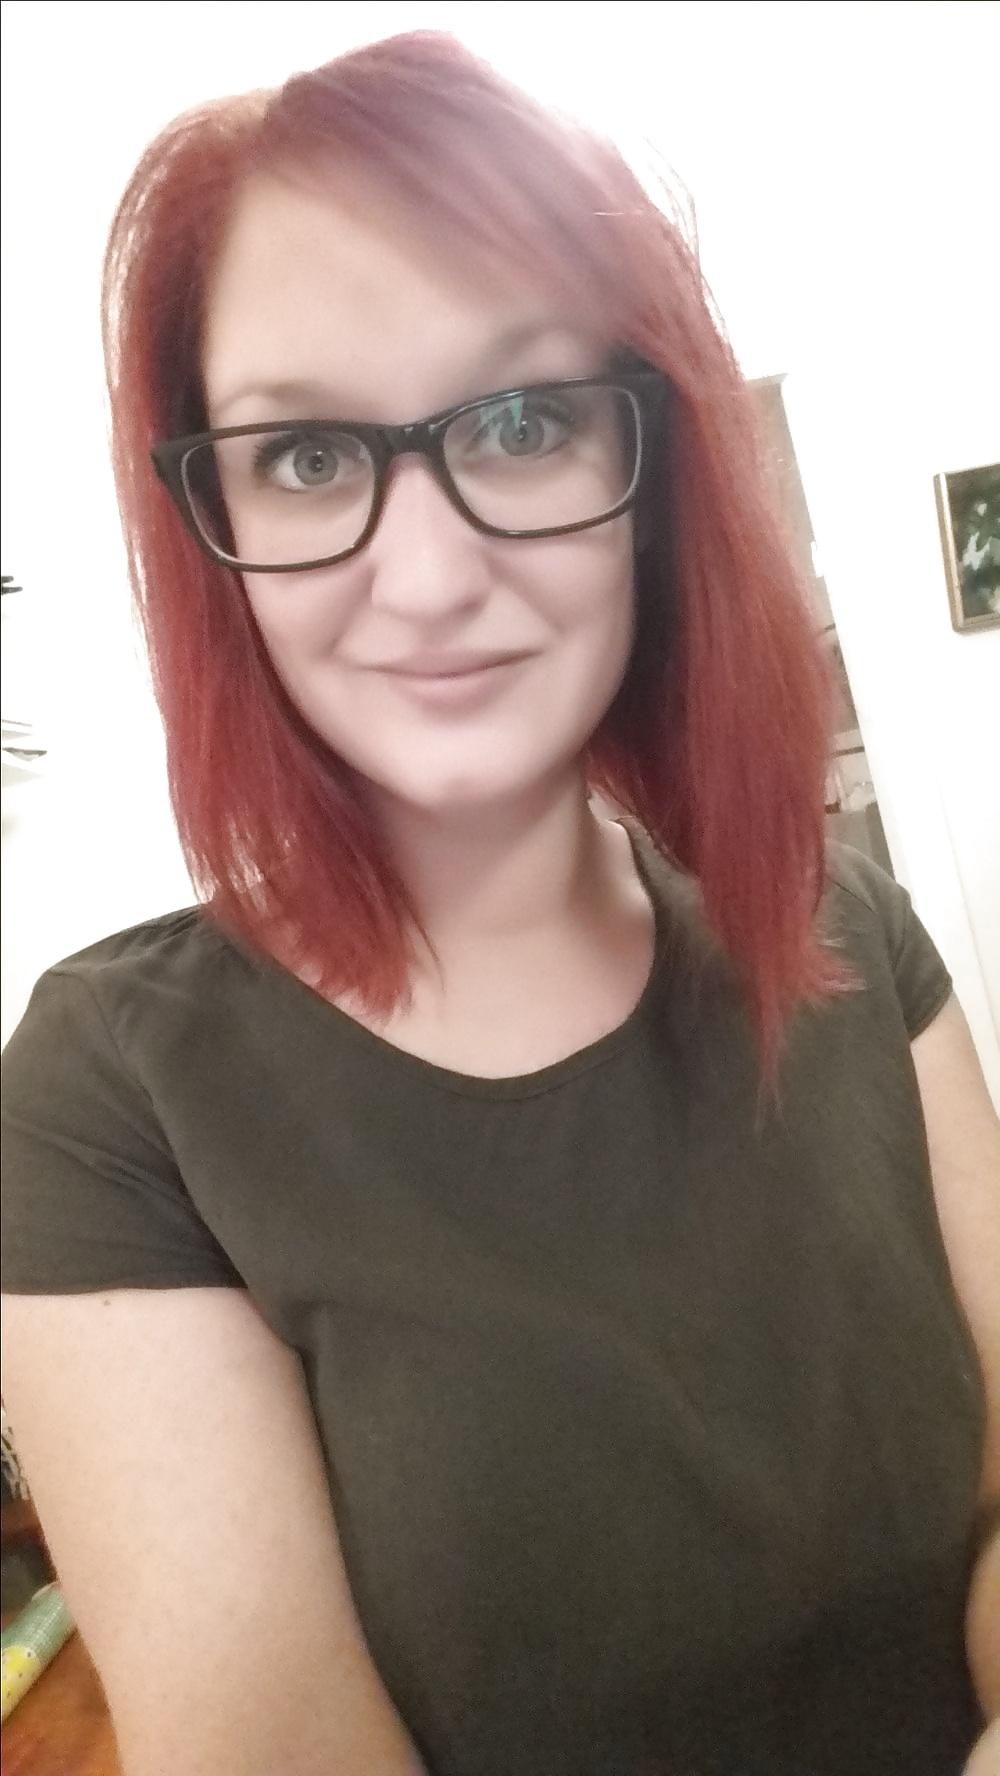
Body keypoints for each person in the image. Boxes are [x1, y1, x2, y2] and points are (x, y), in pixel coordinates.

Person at [1, 29, 998, 1776]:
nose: (428, 573)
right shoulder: (111, 1101)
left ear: (653, 466)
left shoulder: (848, 929)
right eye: (308, 457)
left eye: (525, 422)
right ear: (211, 516)